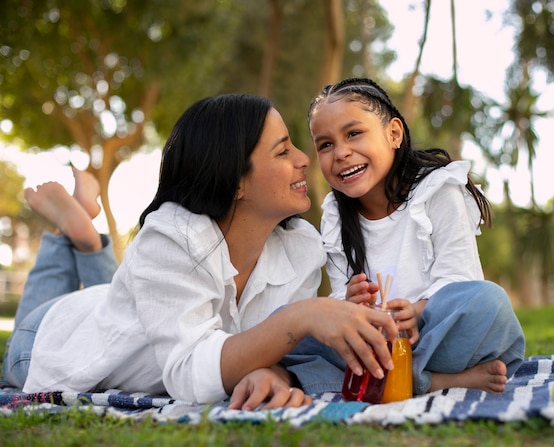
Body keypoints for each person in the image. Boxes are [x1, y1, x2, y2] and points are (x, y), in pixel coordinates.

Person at [2, 94, 399, 410]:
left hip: (113, 307)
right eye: (282, 152)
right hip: (50, 338)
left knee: (119, 295)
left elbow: (267, 349)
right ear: (234, 181)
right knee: (51, 316)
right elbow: (189, 372)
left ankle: (85, 233)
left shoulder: (301, 247)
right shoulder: (171, 238)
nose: (303, 159)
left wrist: (274, 375)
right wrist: (306, 315)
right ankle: (72, 235)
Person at [283, 78, 525, 396]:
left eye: (353, 133)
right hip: (374, 343)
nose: (340, 153)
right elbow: (341, 303)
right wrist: (352, 305)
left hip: (433, 334)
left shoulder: (438, 190)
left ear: (394, 133)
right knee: (290, 327)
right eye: (325, 144)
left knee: (488, 301)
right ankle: (429, 382)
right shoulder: (335, 213)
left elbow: (459, 278)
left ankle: (394, 382)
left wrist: (417, 311)